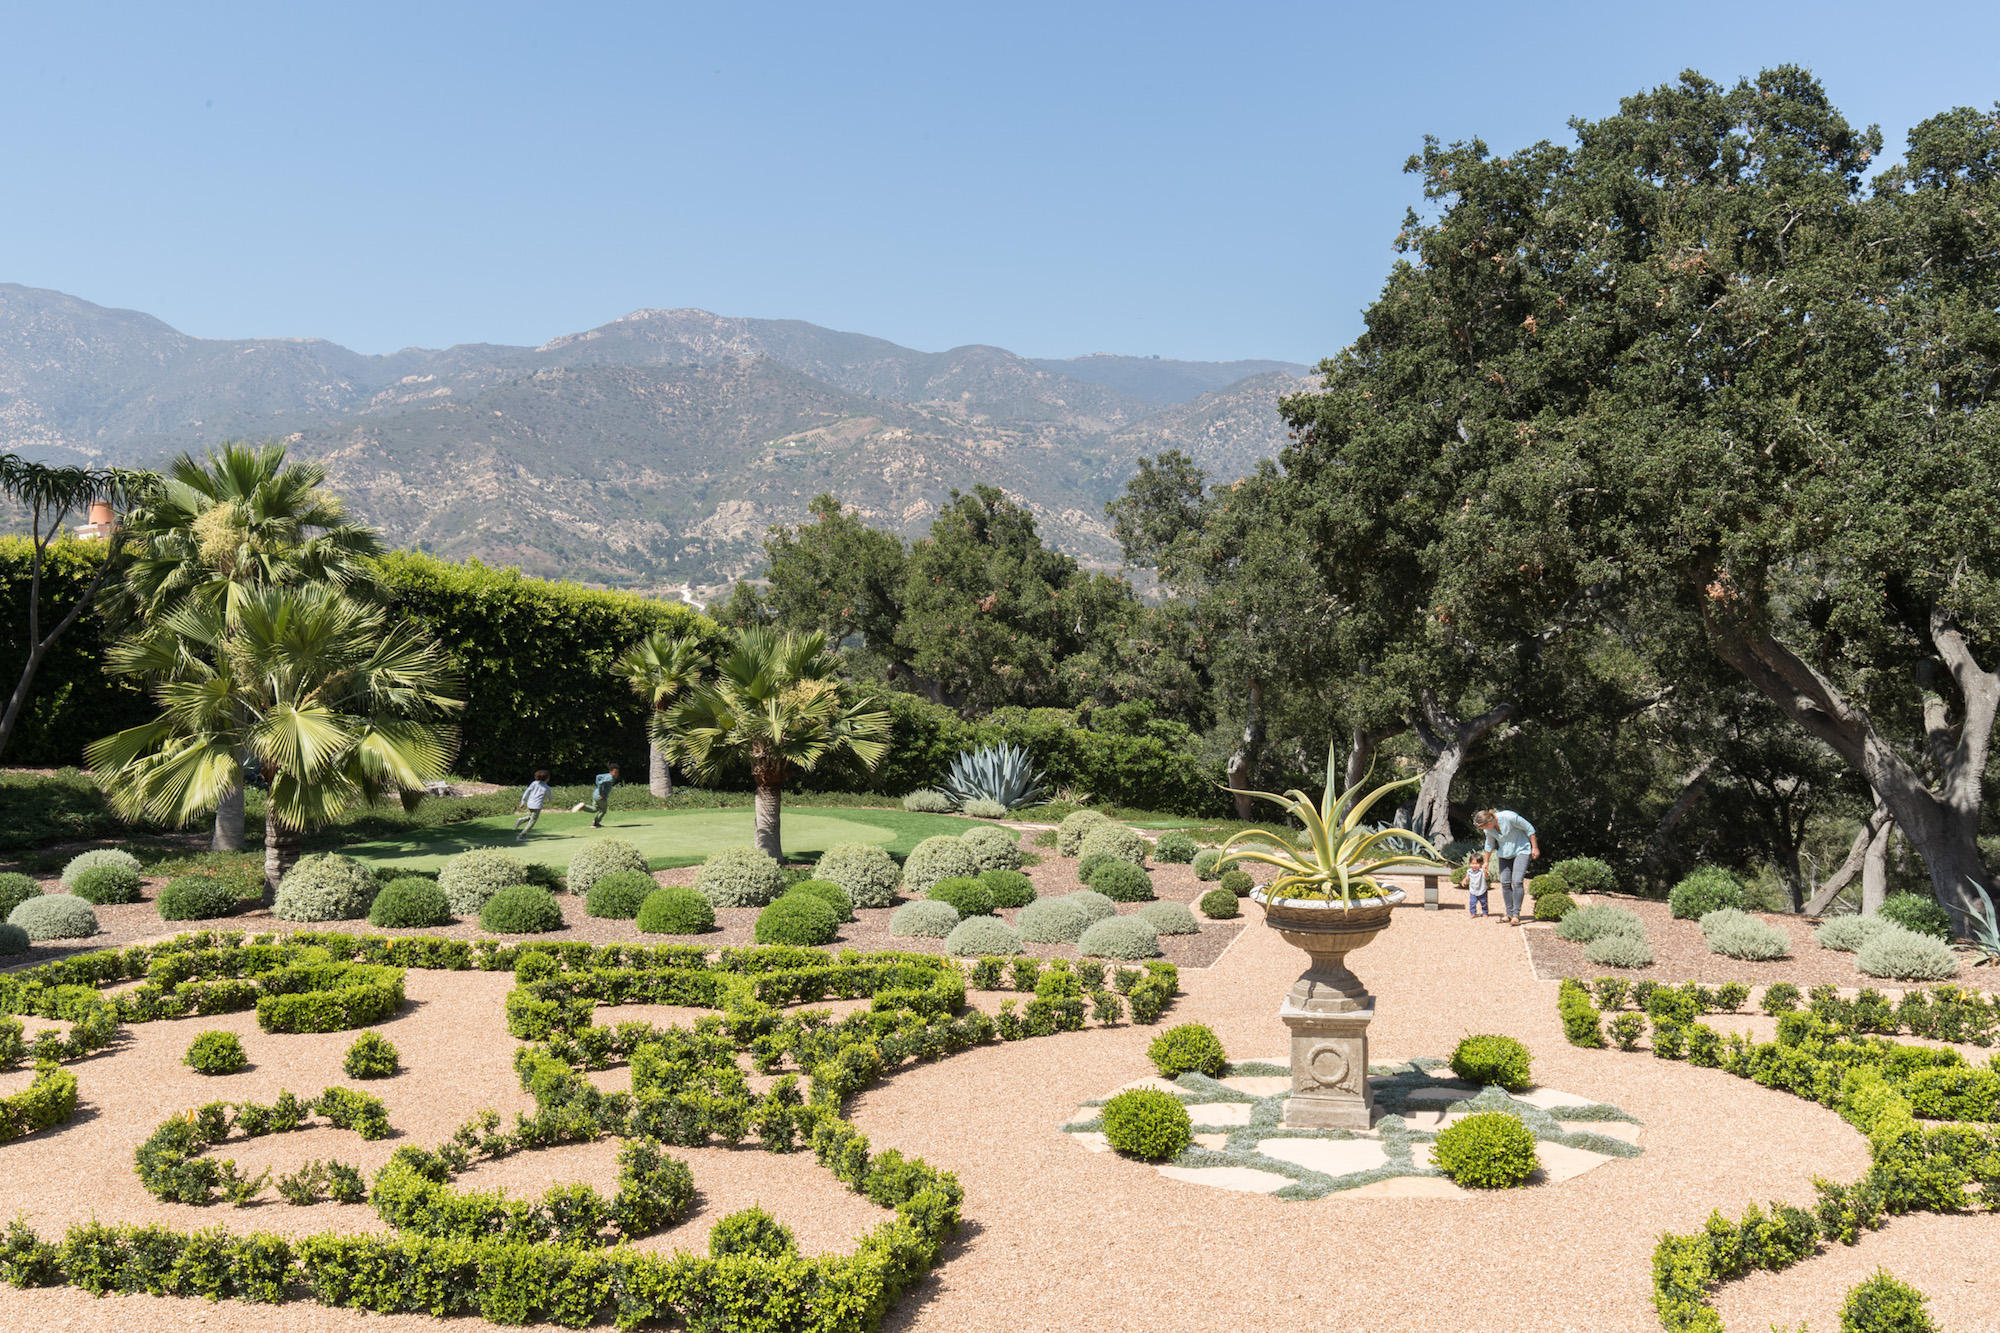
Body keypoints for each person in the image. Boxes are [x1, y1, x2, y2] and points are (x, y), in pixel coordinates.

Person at [1474, 808, 1539, 924]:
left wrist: (1534, 847)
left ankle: (1516, 914)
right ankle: (1509, 913)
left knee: (1517, 881)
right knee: (1504, 882)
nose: (1483, 830)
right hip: (1505, 854)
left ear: (1490, 822)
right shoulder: (1488, 829)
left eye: (1483, 827)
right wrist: (1486, 862)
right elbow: (1489, 844)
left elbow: (1529, 828)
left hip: (1522, 850)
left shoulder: (1509, 817)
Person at [513, 769, 552, 841]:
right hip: (537, 806)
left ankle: (520, 820)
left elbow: (527, 792)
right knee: (532, 822)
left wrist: (523, 802)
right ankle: (520, 836)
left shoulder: (533, 783)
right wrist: (550, 800)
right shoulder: (547, 787)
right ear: (546, 778)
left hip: (530, 804)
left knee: (532, 817)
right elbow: (549, 796)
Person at [587, 763, 619, 829]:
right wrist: (601, 793)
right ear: (611, 772)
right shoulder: (610, 778)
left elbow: (597, 776)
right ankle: (595, 823)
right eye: (615, 772)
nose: (616, 774)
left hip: (595, 794)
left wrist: (597, 786)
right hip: (600, 796)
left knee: (594, 809)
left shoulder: (607, 775)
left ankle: (583, 807)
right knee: (603, 810)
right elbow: (601, 783)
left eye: (617, 772)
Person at [1463, 852, 1491, 918]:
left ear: (1481, 864)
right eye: (1472, 863)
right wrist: (1464, 880)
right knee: (1472, 903)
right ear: (1470, 863)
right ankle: (1473, 913)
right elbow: (1467, 877)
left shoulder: (1482, 871)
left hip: (1482, 890)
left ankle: (1485, 912)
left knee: (1484, 903)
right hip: (1473, 890)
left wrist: (1485, 872)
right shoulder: (1469, 871)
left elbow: (1487, 877)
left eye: (1477, 864)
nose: (1474, 865)